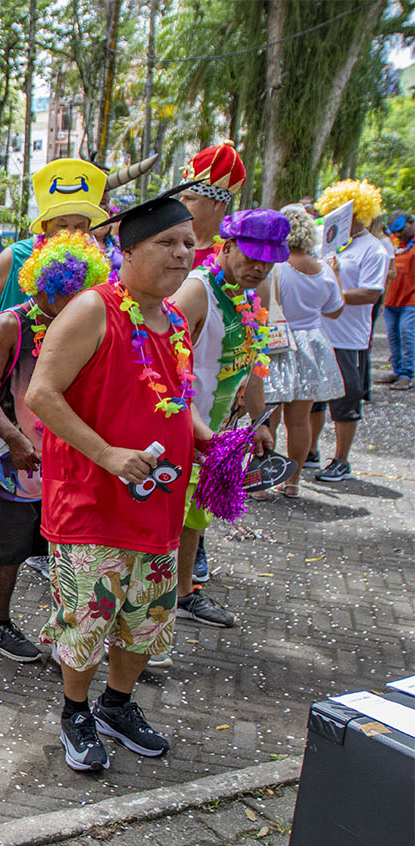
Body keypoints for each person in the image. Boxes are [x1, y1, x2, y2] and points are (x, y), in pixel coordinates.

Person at [27, 191, 207, 773]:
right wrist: (107, 453)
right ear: (128, 250)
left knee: (146, 617)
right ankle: (75, 710)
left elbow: (178, 400)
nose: (183, 254)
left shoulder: (175, 318)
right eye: (168, 242)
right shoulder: (93, 310)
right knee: (88, 619)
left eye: (189, 243)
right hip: (91, 504)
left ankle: (117, 705)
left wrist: (208, 439)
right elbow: (41, 395)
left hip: (157, 505)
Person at [0, 233, 111, 662]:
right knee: (5, 549)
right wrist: (13, 438)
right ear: (43, 286)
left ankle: (64, 625)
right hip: (7, 458)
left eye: (80, 295)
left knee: (55, 547)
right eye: (64, 295)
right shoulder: (11, 324)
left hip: (60, 460)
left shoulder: (81, 326)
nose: (72, 303)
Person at [165, 209, 284, 631]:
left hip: (218, 432)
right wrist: (198, 430)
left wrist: (260, 422)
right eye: (252, 257)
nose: (259, 268)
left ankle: (182, 596)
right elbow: (163, 370)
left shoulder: (248, 296)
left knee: (195, 517)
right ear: (226, 247)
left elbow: (248, 365)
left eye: (268, 262)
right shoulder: (197, 293)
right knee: (169, 519)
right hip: (181, 427)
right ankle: (156, 604)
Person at [0, 158, 108, 415]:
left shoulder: (97, 268)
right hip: (4, 390)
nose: (69, 233)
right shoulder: (14, 257)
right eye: (62, 225)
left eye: (79, 226)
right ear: (45, 226)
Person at [310, 180, 392, 483]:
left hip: (347, 337)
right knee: (313, 398)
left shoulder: (373, 249)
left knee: (345, 401)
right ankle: (310, 450)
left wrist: (335, 288)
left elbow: (371, 294)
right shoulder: (325, 242)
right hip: (318, 332)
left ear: (361, 214)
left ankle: (341, 460)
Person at [262, 205, 346, 497]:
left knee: (267, 417)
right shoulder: (323, 269)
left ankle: (261, 483)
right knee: (299, 421)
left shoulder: (275, 266)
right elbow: (335, 311)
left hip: (276, 342)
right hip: (311, 345)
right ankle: (293, 483)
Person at [178, 141, 247, 271]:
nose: (182, 204)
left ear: (217, 204)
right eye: (182, 197)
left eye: (190, 199)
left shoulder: (233, 254)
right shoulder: (170, 240)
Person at [380, 210, 414, 390]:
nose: (399, 234)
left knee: (407, 333)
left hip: (411, 301)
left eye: (401, 229)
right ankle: (397, 370)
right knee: (393, 336)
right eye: (395, 231)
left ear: (411, 223)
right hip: (391, 299)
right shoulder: (391, 241)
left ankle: (406, 374)